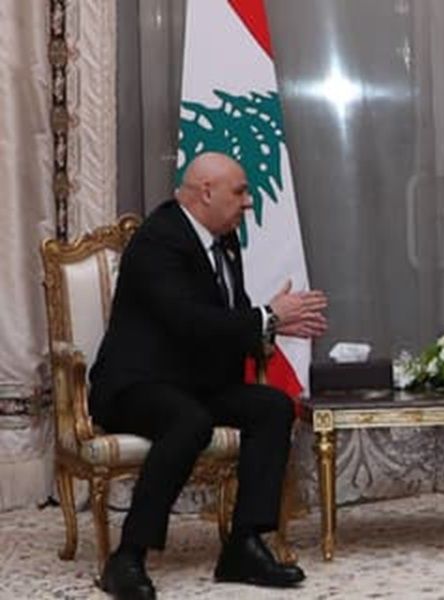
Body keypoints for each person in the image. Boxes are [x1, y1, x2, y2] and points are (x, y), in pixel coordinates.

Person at [88, 152, 328, 599]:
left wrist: (270, 325)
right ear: (206, 192)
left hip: (194, 382)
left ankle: (244, 545)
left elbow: (227, 318)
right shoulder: (159, 239)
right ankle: (127, 556)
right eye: (240, 192)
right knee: (189, 421)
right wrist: (267, 316)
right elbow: (188, 321)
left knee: (273, 408)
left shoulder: (225, 238)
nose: (249, 202)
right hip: (135, 384)